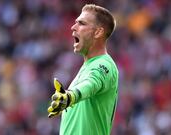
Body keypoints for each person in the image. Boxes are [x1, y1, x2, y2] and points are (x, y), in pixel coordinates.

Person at [47, 4, 119, 135]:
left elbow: (92, 83)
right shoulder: (86, 67)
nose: (73, 27)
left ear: (98, 32)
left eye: (81, 23)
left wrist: (71, 96)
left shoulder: (104, 64)